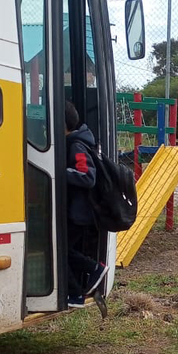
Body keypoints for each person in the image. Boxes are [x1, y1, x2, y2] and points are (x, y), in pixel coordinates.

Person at [64, 100, 108, 307]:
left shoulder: (76, 145)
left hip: (79, 211)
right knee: (64, 250)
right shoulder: (74, 142)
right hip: (75, 210)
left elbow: (86, 175)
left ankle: (94, 270)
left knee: (61, 251)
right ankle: (75, 294)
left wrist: (58, 171)